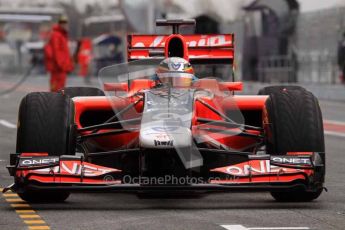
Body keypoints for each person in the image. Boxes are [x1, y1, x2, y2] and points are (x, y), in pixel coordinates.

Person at [45, 15, 73, 92]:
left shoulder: (62, 35)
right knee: (56, 90)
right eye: (62, 23)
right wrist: (62, 65)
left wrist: (68, 66)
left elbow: (64, 52)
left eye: (65, 23)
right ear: (59, 24)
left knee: (60, 89)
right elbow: (57, 51)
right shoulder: (56, 35)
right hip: (58, 68)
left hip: (61, 68)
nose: (64, 24)